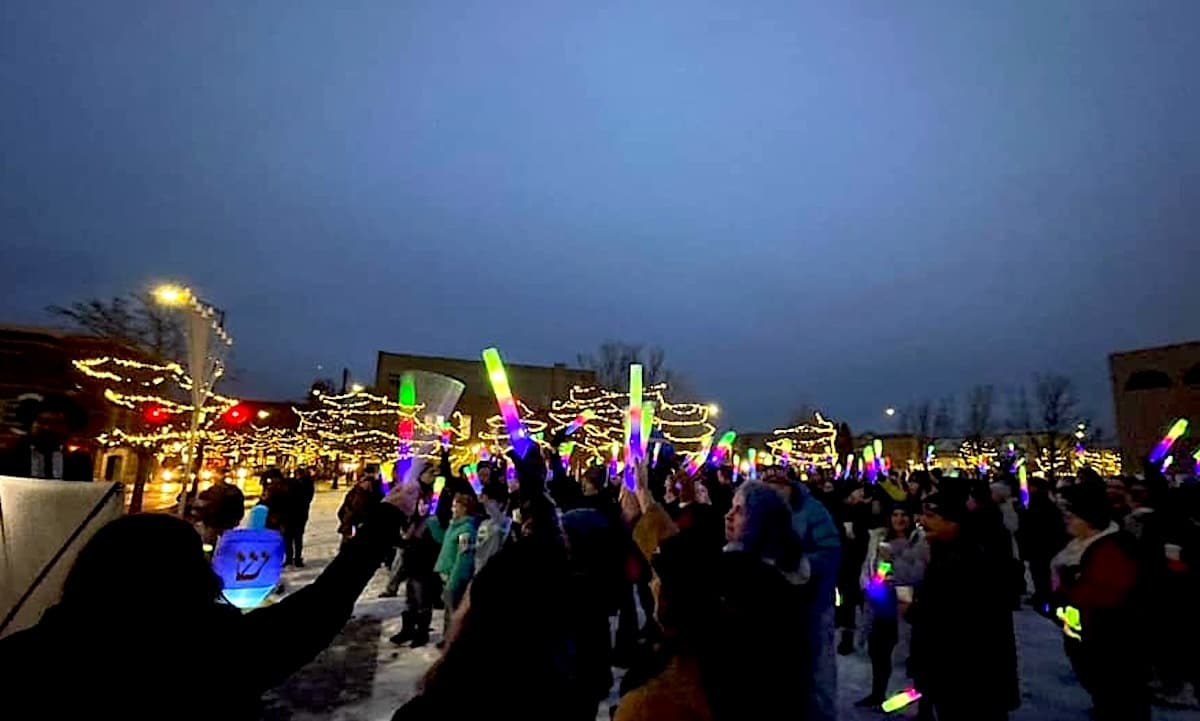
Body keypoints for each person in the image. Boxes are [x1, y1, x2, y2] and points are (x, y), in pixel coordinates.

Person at [0, 486, 407, 720]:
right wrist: (387, 518)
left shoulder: (23, 658)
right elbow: (323, 603)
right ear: (190, 576)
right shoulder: (215, 653)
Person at [908, 490, 1018, 721]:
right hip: (953, 668)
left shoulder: (968, 558)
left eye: (931, 515)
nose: (922, 521)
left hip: (969, 671)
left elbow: (954, 614)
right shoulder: (943, 550)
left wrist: (913, 611)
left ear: (953, 520)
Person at [1052, 482, 1149, 721]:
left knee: (1118, 698)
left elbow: (1108, 595)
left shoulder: (1111, 548)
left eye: (1073, 515)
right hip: (1089, 636)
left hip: (1111, 642)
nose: (1067, 519)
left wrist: (1068, 591)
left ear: (1089, 519)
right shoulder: (1080, 547)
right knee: (1105, 694)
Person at [762, 466, 841, 721]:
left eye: (779, 485)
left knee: (817, 670)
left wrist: (800, 564)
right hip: (776, 605)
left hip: (812, 603)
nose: (774, 491)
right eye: (769, 486)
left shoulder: (812, 510)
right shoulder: (761, 511)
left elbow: (831, 551)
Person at [855, 503, 926, 707]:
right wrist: (870, 585)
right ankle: (877, 693)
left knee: (912, 656)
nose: (899, 519)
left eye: (904, 514)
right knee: (878, 650)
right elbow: (870, 566)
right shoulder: (878, 538)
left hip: (906, 603)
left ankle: (919, 704)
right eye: (895, 514)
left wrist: (893, 559)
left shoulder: (919, 542)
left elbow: (916, 574)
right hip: (881, 601)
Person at [434, 492, 478, 643]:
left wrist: (454, 581)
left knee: (454, 612)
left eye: (455, 506)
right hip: (447, 576)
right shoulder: (454, 526)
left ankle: (454, 641)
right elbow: (444, 544)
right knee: (448, 611)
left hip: (454, 579)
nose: (452, 509)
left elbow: (463, 559)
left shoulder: (466, 530)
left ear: (464, 508)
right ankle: (447, 638)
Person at [1018, 475, 1066, 612]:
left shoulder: (1036, 505)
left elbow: (1030, 524)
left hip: (1039, 545)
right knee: (1041, 573)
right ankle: (1043, 595)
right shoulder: (1048, 505)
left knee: (1041, 573)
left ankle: (1043, 597)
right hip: (1044, 545)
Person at [337, 467, 384, 546]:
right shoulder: (379, 488)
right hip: (364, 522)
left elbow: (349, 506)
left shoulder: (358, 488)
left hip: (356, 522)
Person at [288, 467, 316, 566]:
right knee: (289, 537)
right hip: (292, 513)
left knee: (297, 536)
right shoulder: (292, 483)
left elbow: (308, 497)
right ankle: (290, 557)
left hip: (300, 512)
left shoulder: (307, 483)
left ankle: (296, 557)